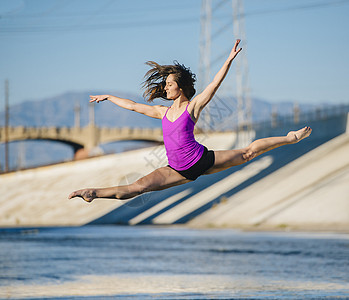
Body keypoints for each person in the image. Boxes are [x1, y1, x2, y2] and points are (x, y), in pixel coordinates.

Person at [69, 39, 312, 203]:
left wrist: (228, 60)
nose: (166, 88)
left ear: (181, 87)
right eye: (165, 85)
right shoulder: (162, 113)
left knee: (248, 153)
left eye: (170, 85)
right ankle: (92, 193)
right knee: (137, 188)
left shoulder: (192, 107)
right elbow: (133, 106)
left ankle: (289, 138)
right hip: (176, 169)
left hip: (201, 160)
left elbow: (214, 85)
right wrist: (109, 97)